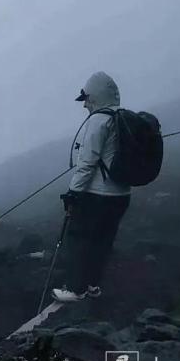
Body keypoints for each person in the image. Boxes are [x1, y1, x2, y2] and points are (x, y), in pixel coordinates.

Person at [52, 71, 131, 302]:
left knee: (79, 238)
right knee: (104, 241)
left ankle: (75, 289)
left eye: (86, 99)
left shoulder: (98, 120)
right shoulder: (122, 117)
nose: (85, 105)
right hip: (121, 195)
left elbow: (87, 162)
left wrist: (73, 193)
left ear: (95, 97)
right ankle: (93, 286)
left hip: (98, 195)